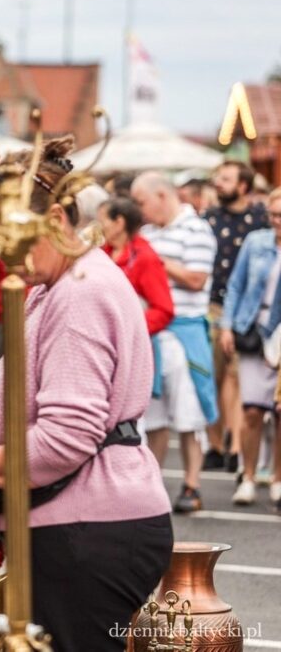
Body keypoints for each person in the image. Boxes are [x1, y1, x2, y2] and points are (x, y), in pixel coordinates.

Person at [0, 138, 172, 650]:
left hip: (88, 529)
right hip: (82, 524)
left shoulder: (79, 290)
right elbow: (36, 408)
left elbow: (65, 438)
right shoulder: (57, 285)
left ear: (53, 219)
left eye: (10, 235)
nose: (0, 254)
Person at [133, 171, 219, 513]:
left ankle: (192, 485)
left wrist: (155, 263)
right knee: (153, 415)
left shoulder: (196, 229)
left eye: (141, 202)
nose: (139, 209)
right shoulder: (147, 232)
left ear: (162, 196)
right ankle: (151, 488)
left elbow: (197, 279)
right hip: (152, 331)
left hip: (184, 331)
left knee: (189, 414)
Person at [219, 188, 281, 507]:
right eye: (273, 215)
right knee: (252, 410)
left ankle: (278, 479)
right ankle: (248, 476)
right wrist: (226, 325)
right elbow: (236, 285)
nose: (277, 221)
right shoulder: (256, 242)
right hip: (252, 329)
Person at [204, 161, 268, 472]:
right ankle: (215, 445)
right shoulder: (208, 219)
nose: (219, 183)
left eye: (226, 179)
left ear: (243, 186)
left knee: (236, 376)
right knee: (212, 375)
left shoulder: (260, 220)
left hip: (245, 312)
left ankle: (235, 445)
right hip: (212, 306)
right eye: (218, 178)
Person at [98, 198, 175, 336]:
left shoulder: (145, 257)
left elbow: (163, 310)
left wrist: (128, 329)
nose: (99, 227)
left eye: (102, 221)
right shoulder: (101, 254)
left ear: (119, 223)